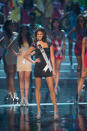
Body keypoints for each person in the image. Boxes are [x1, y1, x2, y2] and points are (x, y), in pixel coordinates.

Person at [24, 28, 58, 119]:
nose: (39, 36)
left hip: (47, 68)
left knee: (51, 89)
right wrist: (33, 61)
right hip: (38, 68)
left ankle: (55, 111)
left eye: (40, 34)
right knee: (37, 89)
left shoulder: (49, 43)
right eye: (37, 34)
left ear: (43, 35)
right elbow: (25, 55)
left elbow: (52, 57)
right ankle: (38, 111)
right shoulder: (35, 44)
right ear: (36, 35)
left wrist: (54, 70)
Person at [0, 20, 19, 103]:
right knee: (10, 75)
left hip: (15, 55)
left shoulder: (16, 34)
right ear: (7, 26)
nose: (12, 26)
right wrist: (4, 49)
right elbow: (7, 45)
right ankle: (13, 94)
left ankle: (10, 92)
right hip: (9, 55)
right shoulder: (6, 34)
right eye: (11, 25)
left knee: (12, 75)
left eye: (13, 25)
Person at [68, 15, 86, 85]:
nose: (81, 22)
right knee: (79, 64)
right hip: (78, 47)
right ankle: (79, 79)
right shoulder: (76, 28)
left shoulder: (86, 29)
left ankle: (82, 79)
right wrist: (74, 41)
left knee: (84, 65)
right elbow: (68, 35)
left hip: (85, 48)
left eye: (82, 21)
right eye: (79, 21)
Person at [17, 25, 32, 106]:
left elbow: (36, 49)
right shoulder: (18, 39)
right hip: (20, 60)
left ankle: (26, 99)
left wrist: (30, 54)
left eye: (26, 30)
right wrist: (16, 53)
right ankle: (22, 99)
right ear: (21, 30)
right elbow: (9, 46)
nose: (24, 31)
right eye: (23, 30)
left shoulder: (30, 39)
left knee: (27, 79)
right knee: (21, 79)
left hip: (28, 60)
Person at [50, 18, 65, 94]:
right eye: (54, 23)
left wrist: (64, 54)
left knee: (58, 69)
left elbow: (64, 44)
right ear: (52, 24)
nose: (56, 24)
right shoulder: (51, 32)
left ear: (59, 24)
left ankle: (56, 86)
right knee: (53, 69)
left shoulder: (62, 32)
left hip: (59, 51)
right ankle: (53, 85)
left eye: (57, 23)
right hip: (52, 51)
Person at [76, 35, 87, 102]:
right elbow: (82, 53)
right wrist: (83, 65)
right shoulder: (85, 39)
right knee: (82, 78)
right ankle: (77, 97)